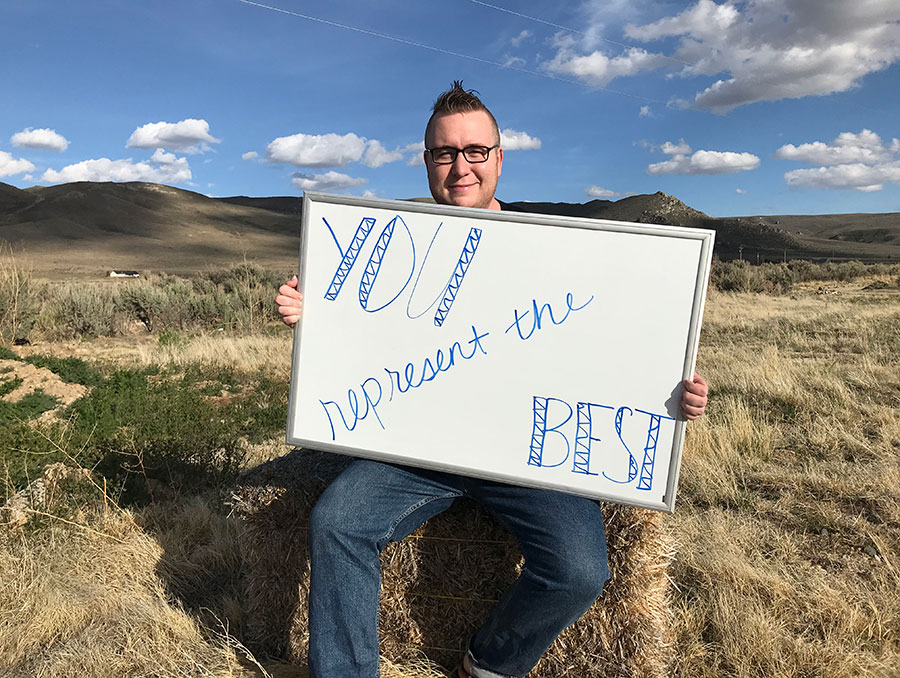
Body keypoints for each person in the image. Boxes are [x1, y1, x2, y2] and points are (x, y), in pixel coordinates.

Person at [275, 82, 709, 678]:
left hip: (525, 455)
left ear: (499, 158)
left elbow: (609, 347)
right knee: (337, 522)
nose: (460, 167)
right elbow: (357, 343)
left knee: (581, 571)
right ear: (426, 160)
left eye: (475, 151)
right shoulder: (388, 243)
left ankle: (490, 663)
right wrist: (312, 313)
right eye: (445, 153)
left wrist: (667, 394)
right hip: (416, 446)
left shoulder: (553, 250)